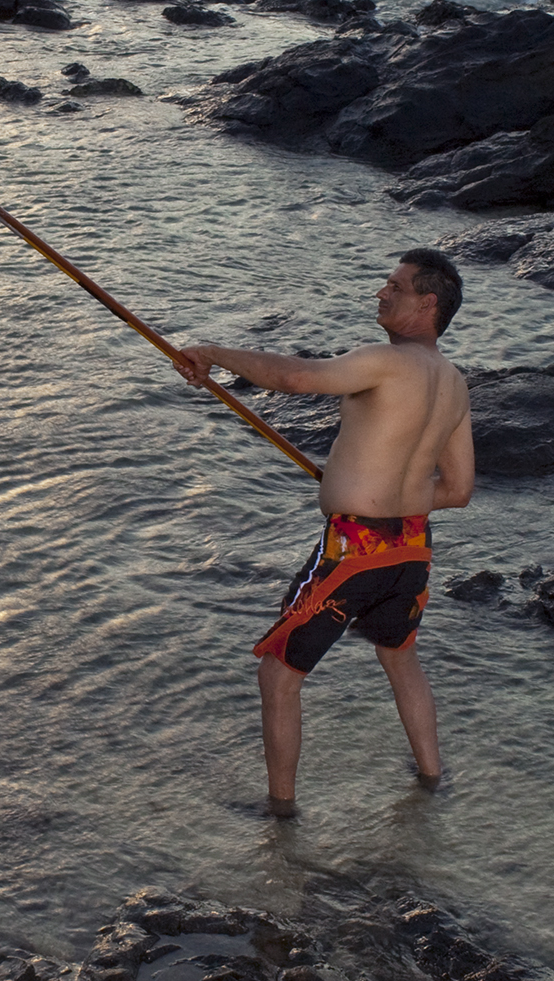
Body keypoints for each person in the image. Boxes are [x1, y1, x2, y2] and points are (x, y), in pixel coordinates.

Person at [175, 250, 473, 808]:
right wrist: (392, 494)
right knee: (399, 655)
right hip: (411, 550)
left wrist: (211, 352)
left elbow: (297, 378)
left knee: (279, 673)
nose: (381, 293)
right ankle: (433, 780)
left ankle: (281, 815)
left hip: (353, 551)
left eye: (395, 286)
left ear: (427, 303)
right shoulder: (453, 383)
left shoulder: (386, 361)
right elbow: (457, 491)